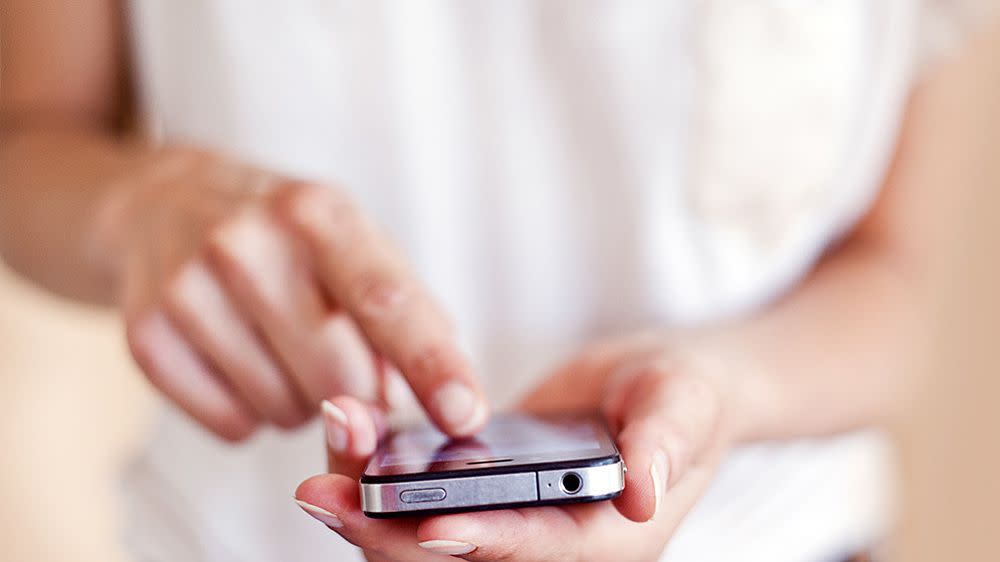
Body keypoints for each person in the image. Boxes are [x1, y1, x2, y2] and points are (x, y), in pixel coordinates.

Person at [0, 1, 994, 561]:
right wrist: (136, 212)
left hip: (778, 539)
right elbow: (27, 136)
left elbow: (892, 273)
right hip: (239, 539)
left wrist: (723, 388)